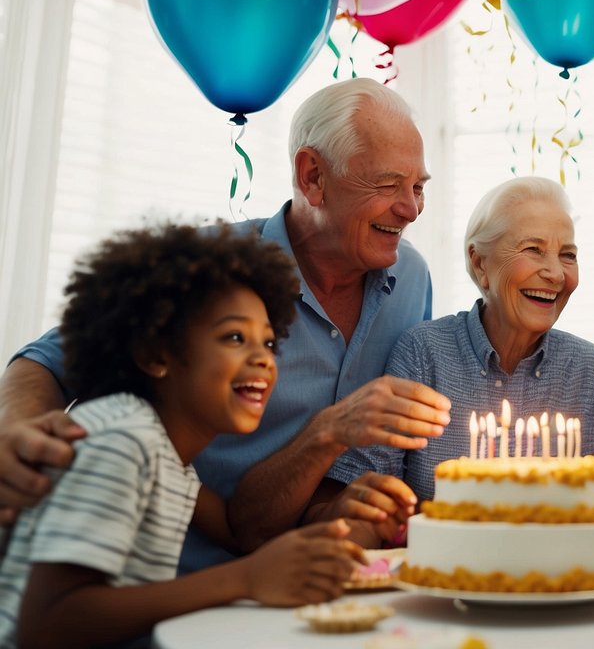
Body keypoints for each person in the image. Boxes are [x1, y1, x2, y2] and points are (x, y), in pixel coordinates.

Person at [0, 79, 452, 571]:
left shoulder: (411, 278)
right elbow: (49, 360)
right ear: (312, 176)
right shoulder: (208, 269)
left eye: (419, 187)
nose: (410, 209)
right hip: (158, 575)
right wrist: (16, 435)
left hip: (288, 574)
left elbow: (318, 482)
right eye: (388, 185)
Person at [0, 223, 361, 649]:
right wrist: (244, 578)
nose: (263, 360)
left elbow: (232, 527)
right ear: (156, 355)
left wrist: (338, 515)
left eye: (268, 342)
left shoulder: (167, 456)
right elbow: (47, 626)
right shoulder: (123, 440)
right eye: (234, 337)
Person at [305, 177, 594, 544]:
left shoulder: (589, 369)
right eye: (533, 249)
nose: (556, 273)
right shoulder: (422, 355)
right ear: (480, 264)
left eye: (568, 255)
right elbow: (363, 499)